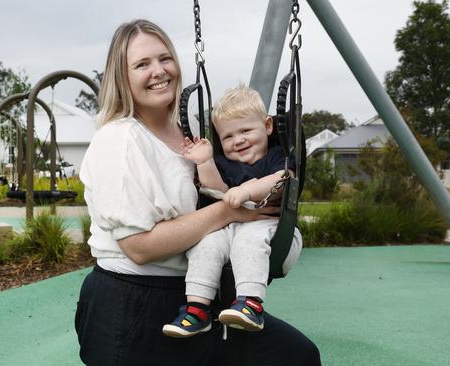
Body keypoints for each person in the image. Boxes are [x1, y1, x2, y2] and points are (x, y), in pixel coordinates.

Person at [75, 19, 320, 366]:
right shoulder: (120, 139)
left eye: (164, 59)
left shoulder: (189, 136)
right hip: (133, 303)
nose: (159, 71)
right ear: (123, 78)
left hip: (195, 296)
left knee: (297, 356)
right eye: (142, 64)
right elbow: (139, 247)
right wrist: (230, 211)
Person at [162, 85, 300, 338]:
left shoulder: (275, 156)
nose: (238, 140)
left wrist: (249, 190)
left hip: (274, 232)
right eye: (228, 137)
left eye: (246, 130)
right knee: (206, 243)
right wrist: (205, 162)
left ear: (267, 126)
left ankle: (251, 304)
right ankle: (197, 310)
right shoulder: (227, 163)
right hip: (231, 229)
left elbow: (284, 178)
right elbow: (217, 191)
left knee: (248, 239)